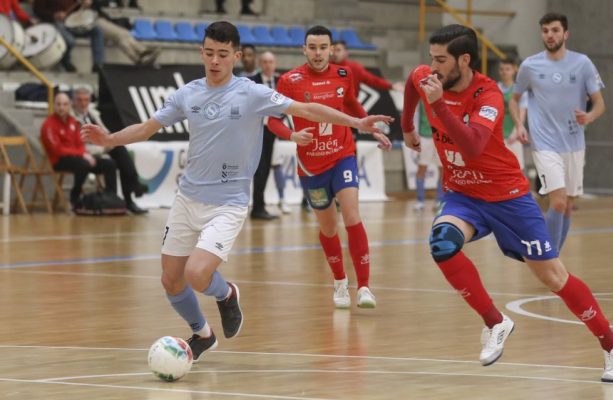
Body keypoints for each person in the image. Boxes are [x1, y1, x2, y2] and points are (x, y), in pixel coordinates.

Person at [82, 21, 392, 360]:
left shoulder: (252, 93)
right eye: (210, 54)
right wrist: (110, 139)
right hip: (187, 199)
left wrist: (357, 123)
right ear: (202, 53)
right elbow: (147, 128)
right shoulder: (188, 93)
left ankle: (227, 294)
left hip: (228, 203)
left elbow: (306, 110)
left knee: (197, 273)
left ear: (237, 56)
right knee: (171, 281)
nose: (215, 61)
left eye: (223, 55)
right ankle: (202, 333)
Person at [401, 24, 613, 380]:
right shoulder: (429, 78)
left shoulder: (487, 95)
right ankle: (496, 322)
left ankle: (612, 345)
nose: (432, 67)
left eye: (441, 60)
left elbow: (473, 145)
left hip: (508, 197)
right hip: (463, 195)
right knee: (442, 245)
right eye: (431, 58)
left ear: (464, 59)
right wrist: (407, 128)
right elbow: (414, 86)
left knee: (553, 277)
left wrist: (439, 106)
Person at [267, 25, 391, 310]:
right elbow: (273, 120)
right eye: (313, 47)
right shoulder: (289, 80)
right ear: (304, 49)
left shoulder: (343, 74)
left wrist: (371, 129)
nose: (318, 53)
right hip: (311, 167)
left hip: (343, 155)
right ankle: (339, 282)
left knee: (351, 215)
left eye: (323, 47)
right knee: (328, 227)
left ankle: (364, 288)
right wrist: (291, 135)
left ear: (331, 49)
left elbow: (351, 105)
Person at [509, 13, 605, 254]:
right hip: (544, 143)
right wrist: (520, 124)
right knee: (558, 201)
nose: (549, 35)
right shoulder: (530, 65)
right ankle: (547, 258)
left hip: (574, 143)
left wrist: (589, 116)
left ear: (565, 33)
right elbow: (514, 99)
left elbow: (600, 103)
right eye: (545, 31)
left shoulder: (583, 63)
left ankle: (554, 256)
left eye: (554, 30)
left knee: (568, 206)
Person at [72, 87, 148, 214]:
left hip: (99, 146)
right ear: (74, 100)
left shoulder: (93, 113)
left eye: (86, 100)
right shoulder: (70, 117)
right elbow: (78, 142)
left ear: (90, 100)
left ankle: (129, 198)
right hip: (86, 151)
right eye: (79, 100)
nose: (83, 103)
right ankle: (133, 189)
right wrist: (104, 146)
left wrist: (109, 142)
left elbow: (105, 132)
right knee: (118, 153)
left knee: (121, 150)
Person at [41, 92, 118, 210]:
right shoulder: (48, 125)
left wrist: (85, 154)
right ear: (54, 105)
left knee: (109, 164)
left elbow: (79, 143)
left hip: (78, 158)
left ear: (69, 105)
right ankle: (75, 196)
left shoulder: (72, 121)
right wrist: (83, 154)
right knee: (84, 164)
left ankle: (111, 197)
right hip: (59, 160)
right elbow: (57, 150)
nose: (62, 107)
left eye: (65, 104)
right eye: (59, 104)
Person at [248, 50, 281, 220]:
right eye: (265, 61)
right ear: (261, 64)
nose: (268, 65)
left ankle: (260, 206)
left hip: (272, 131)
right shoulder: (253, 82)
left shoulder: (280, 81)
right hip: (256, 131)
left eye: (271, 61)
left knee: (267, 168)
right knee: (259, 170)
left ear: (275, 64)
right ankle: (257, 207)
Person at [33, 0, 105, 72]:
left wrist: (86, 5)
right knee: (70, 41)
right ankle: (66, 61)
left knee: (97, 31)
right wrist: (54, 15)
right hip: (55, 22)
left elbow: (79, 7)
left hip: (73, 21)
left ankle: (98, 64)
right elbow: (38, 10)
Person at [91, 1, 160, 65]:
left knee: (123, 36)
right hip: (91, 22)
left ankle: (138, 59)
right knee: (120, 34)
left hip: (98, 20)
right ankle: (142, 51)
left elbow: (100, 11)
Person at [332, 40, 403, 92]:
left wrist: (391, 86)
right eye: (333, 50)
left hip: (348, 108)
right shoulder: (326, 67)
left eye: (338, 50)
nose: (335, 53)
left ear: (346, 52)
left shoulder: (354, 68)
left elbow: (372, 80)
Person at [412, 102, 443, 212]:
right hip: (425, 136)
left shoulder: (446, 92)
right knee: (422, 168)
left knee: (443, 170)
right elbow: (414, 115)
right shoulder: (421, 96)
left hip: (442, 136)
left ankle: (439, 201)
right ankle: (420, 201)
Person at [497, 58, 527, 170]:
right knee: (498, 171)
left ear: (514, 70)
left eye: (507, 69)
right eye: (501, 69)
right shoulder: (494, 88)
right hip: (498, 137)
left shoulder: (519, 90)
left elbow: (522, 113)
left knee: (517, 169)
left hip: (514, 137)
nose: (504, 72)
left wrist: (515, 133)